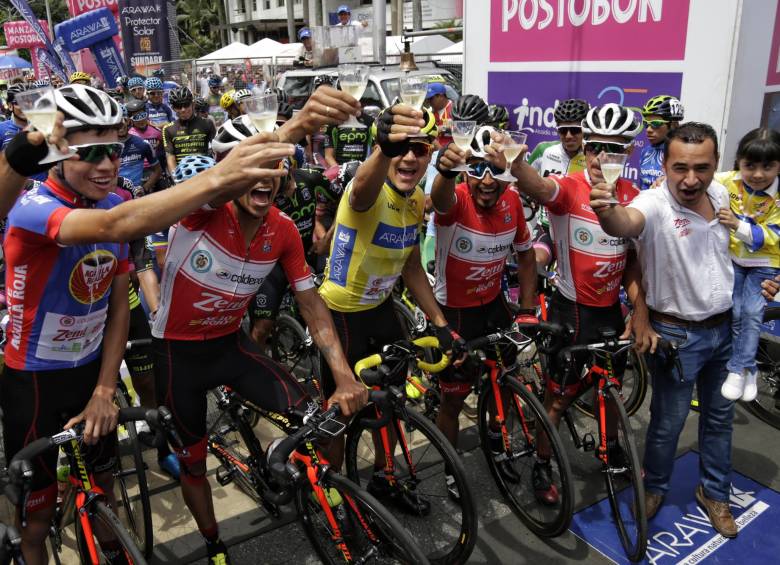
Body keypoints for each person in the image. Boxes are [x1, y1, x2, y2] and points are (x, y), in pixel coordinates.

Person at [0, 84, 295, 565]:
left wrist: (102, 390)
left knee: (104, 489)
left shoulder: (113, 199)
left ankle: (115, 549)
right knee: (35, 521)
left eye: (112, 151)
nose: (106, 164)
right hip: (32, 380)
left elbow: (120, 305)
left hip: (89, 373)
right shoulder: (35, 208)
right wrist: (220, 178)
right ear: (56, 154)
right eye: (88, 152)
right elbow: (119, 227)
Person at [151, 85, 369, 564]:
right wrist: (287, 131)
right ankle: (213, 545)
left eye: (276, 166)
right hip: (177, 354)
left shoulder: (283, 230)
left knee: (321, 417)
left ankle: (331, 500)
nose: (265, 177)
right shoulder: (202, 213)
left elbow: (312, 306)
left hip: (231, 345)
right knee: (192, 464)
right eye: (253, 166)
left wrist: (344, 373)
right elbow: (216, 186)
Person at [590, 122, 745, 537]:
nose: (690, 179)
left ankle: (714, 494)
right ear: (664, 163)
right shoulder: (654, 203)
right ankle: (654, 488)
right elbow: (625, 223)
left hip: (725, 333)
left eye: (702, 167)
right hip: (678, 337)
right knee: (666, 424)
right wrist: (606, 209)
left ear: (716, 164)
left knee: (720, 420)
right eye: (679, 168)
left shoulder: (722, 193)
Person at [318, 106, 463, 511]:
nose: (410, 157)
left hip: (381, 313)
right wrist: (384, 149)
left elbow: (413, 266)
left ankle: (384, 476)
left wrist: (441, 324)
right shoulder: (367, 192)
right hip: (340, 315)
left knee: (392, 403)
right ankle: (330, 487)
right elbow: (363, 185)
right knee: (342, 411)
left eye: (420, 149)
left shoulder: (416, 199)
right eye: (401, 148)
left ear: (430, 155)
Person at [502, 103, 646, 504]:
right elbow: (539, 187)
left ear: (629, 152)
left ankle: (612, 445)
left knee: (611, 386)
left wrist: (637, 309)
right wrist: (515, 163)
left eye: (616, 149)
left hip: (610, 312)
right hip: (571, 311)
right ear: (586, 148)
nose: (604, 157)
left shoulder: (635, 197)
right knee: (559, 398)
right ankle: (543, 462)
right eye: (597, 147)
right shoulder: (570, 187)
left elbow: (633, 263)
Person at [430, 140, 537, 494]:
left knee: (504, 375)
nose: (487, 179)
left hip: (493, 304)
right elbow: (441, 195)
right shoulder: (457, 198)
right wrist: (446, 171)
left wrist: (526, 309)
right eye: (476, 169)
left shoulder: (513, 202)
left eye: (496, 170)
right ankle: (451, 465)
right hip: (455, 312)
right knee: (454, 398)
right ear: (465, 173)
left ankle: (495, 433)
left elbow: (525, 257)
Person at [716, 128, 780, 401]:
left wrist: (737, 225)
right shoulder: (727, 181)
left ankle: (737, 368)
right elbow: (698, 179)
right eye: (749, 165)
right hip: (733, 261)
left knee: (752, 313)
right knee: (736, 312)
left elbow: (772, 237)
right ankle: (749, 367)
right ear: (738, 162)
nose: (757, 174)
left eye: (768, 166)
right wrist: (664, 181)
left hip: (765, 264)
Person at [527, 98, 590, 272]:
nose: (569, 135)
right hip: (547, 228)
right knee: (534, 264)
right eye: (563, 130)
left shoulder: (593, 156)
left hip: (580, 232)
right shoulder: (544, 150)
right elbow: (523, 180)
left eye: (575, 130)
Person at [163, 86, 216, 171]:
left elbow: (216, 150)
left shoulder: (207, 123)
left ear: (193, 104)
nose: (183, 109)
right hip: (182, 175)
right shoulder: (168, 129)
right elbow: (170, 157)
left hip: (205, 173)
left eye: (186, 104)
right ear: (173, 108)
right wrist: (176, 180)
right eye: (178, 106)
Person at [639, 95, 684, 190]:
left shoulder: (684, 154)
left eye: (655, 123)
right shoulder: (646, 151)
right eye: (646, 123)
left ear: (673, 125)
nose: (648, 129)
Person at [117, 105, 162, 193]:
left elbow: (158, 170)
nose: (120, 126)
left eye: (123, 121)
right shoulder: (105, 147)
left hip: (136, 192)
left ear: (128, 121)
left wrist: (145, 188)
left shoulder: (143, 144)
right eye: (116, 124)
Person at [126, 99, 166, 194]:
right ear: (130, 119)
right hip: (138, 171)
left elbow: (162, 142)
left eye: (143, 115)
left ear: (147, 114)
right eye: (136, 117)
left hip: (155, 169)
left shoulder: (155, 131)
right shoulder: (129, 133)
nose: (141, 120)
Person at [322, 99, 372, 167]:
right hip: (340, 168)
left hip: (363, 169)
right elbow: (328, 156)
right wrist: (340, 171)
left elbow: (376, 149)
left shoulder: (368, 120)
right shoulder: (334, 121)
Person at [425, 81, 453, 147]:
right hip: (434, 151)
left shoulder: (456, 109)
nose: (429, 102)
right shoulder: (430, 113)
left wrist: (441, 128)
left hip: (451, 151)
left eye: (431, 99)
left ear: (441, 96)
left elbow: (461, 128)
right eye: (427, 99)